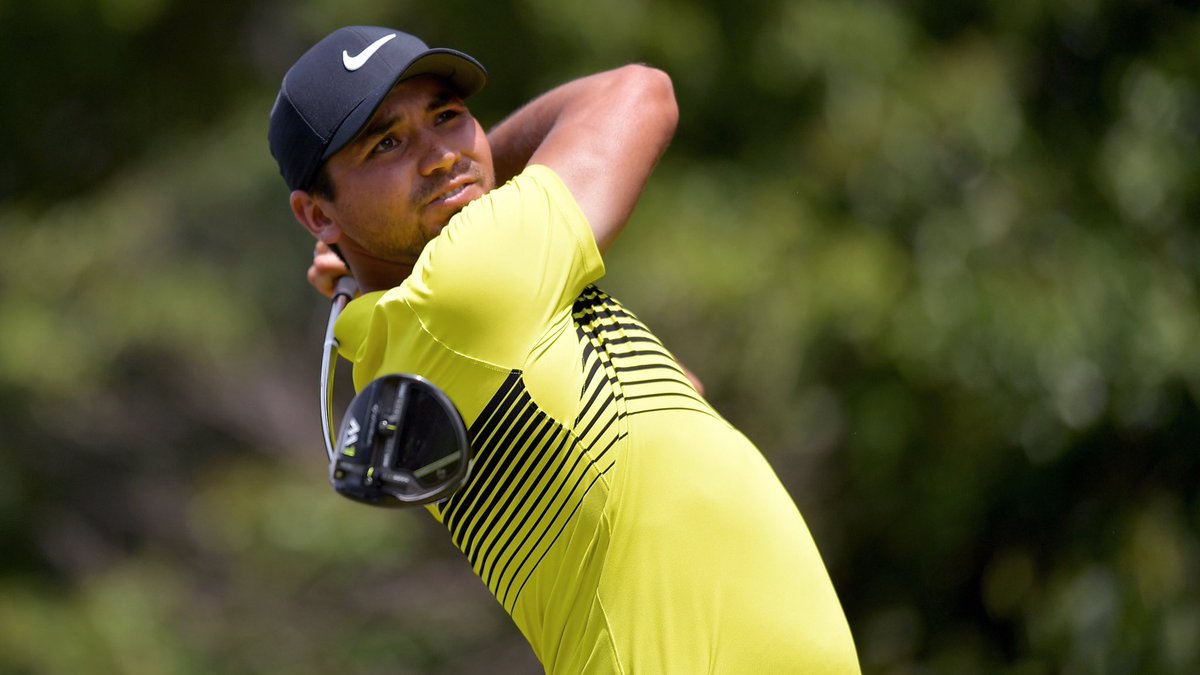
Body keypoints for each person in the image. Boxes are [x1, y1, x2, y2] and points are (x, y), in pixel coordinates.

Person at [269, 24, 860, 674]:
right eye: (386, 143)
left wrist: (409, 209)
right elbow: (638, 92)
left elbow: (678, 400)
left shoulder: (414, 321)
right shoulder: (468, 284)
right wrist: (475, 175)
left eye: (448, 116)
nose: (441, 155)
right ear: (317, 216)